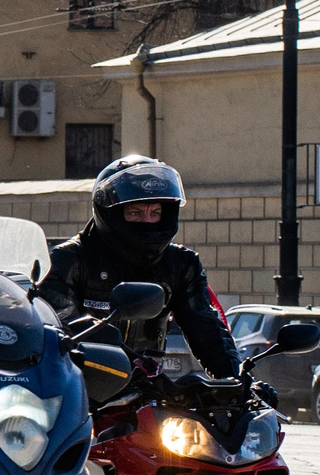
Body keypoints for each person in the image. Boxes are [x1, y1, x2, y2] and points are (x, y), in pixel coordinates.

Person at [36, 155, 240, 380]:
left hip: (147, 390)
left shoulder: (181, 263)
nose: (148, 222)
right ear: (110, 213)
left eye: (155, 213)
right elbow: (55, 333)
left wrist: (239, 383)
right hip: (83, 386)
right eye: (135, 213)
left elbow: (206, 329)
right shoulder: (70, 260)